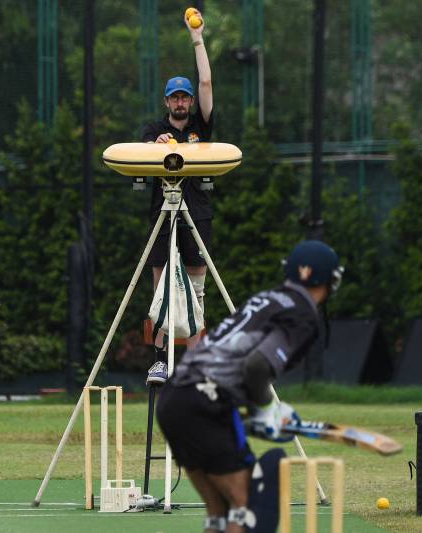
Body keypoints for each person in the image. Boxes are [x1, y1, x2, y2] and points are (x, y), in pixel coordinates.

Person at [156, 240, 344, 532]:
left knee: (219, 512)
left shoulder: (269, 298)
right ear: (331, 280)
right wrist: (268, 410)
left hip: (173, 397)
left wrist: (258, 412)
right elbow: (256, 368)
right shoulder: (302, 314)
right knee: (245, 509)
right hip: (205, 401)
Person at [142, 8, 213, 385]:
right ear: (167, 102)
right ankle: (160, 362)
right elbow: (141, 156)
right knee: (161, 292)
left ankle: (196, 366)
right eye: (176, 98)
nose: (182, 103)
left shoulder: (201, 126)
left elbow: (206, 83)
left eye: (185, 97)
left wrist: (197, 38)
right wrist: (157, 145)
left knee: (197, 293)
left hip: (196, 213)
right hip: (162, 214)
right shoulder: (154, 129)